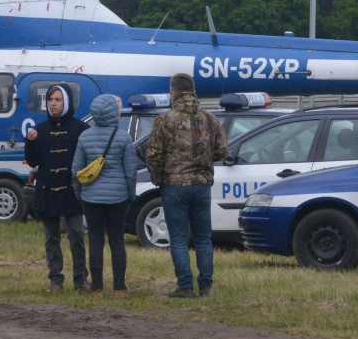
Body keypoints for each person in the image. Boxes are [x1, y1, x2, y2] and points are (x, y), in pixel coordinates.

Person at [144, 73, 227, 298]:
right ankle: (205, 286)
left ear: (173, 93)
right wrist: (204, 161)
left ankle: (185, 286)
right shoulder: (210, 119)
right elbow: (222, 150)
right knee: (203, 238)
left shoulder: (164, 120)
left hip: (174, 185)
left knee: (179, 239)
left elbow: (153, 154)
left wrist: (158, 178)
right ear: (194, 92)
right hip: (202, 185)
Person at [25, 84, 91, 293]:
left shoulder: (81, 129)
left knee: (77, 236)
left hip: (72, 191)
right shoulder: (40, 129)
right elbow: (33, 161)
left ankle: (81, 280)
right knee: (51, 238)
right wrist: (29, 143)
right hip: (47, 189)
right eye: (50, 100)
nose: (53, 103)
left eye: (58, 100)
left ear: (67, 102)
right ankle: (55, 280)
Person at [72, 94, 137, 300]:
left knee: (95, 240)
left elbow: (76, 169)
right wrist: (130, 195)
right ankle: (120, 288)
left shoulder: (84, 137)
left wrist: (79, 193)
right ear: (114, 113)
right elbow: (131, 172)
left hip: (91, 197)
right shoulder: (124, 137)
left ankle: (97, 288)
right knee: (117, 240)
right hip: (118, 197)